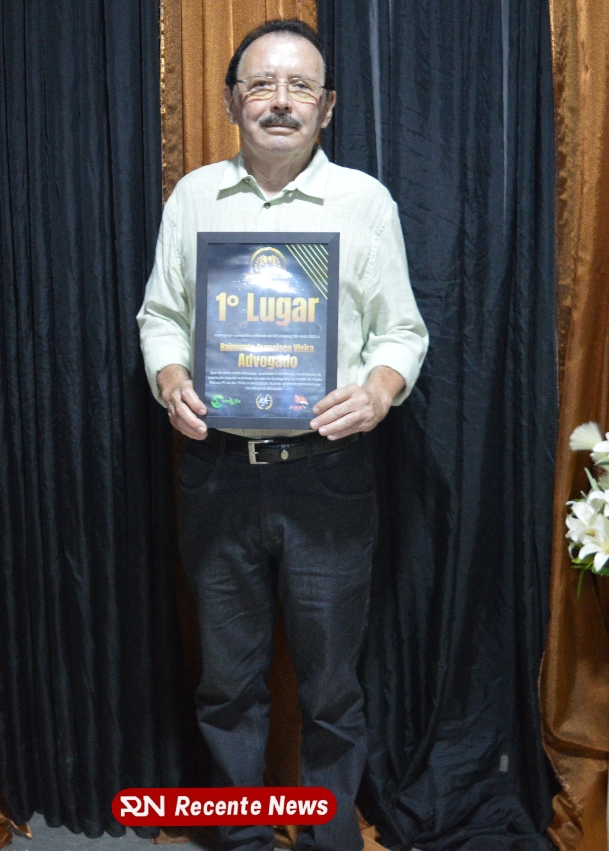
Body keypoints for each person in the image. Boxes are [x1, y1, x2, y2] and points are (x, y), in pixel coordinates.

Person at [137, 20, 428, 851]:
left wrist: (378, 391)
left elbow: (402, 331)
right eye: (261, 84)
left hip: (327, 475)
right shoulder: (193, 198)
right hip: (218, 471)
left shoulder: (364, 202)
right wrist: (169, 378)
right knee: (228, 683)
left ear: (326, 106)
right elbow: (161, 316)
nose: (280, 101)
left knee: (331, 687)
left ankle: (331, 841)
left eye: (300, 86)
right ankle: (241, 839)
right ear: (232, 101)